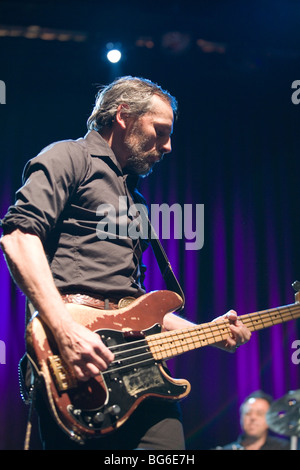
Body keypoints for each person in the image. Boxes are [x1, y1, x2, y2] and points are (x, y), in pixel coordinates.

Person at [0, 76, 251, 450]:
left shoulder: (137, 202)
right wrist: (65, 332)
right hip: (76, 362)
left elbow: (135, 308)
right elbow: (18, 236)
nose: (167, 146)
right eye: (160, 131)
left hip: (138, 374)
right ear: (123, 116)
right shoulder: (69, 157)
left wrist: (208, 333)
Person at [219, 391, 290, 450]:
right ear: (241, 417)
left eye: (259, 414)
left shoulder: (285, 447)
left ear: (269, 420)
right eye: (248, 413)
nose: (253, 418)